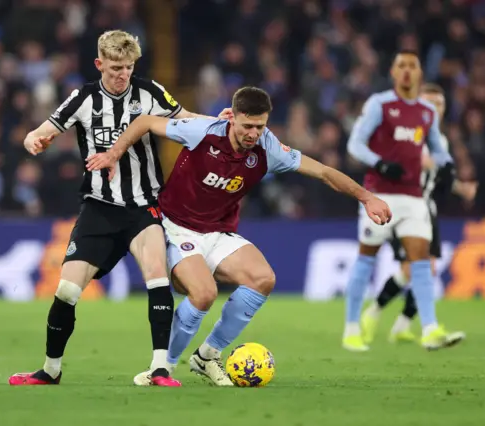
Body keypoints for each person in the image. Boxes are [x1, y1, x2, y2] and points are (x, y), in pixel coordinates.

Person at [88, 86, 391, 386]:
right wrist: (114, 153)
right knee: (204, 294)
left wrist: (367, 198)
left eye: (260, 126)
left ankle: (207, 356)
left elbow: (324, 171)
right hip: (175, 227)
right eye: (247, 126)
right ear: (232, 118)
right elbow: (145, 122)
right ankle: (163, 368)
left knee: (263, 278)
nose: (253, 133)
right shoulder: (202, 131)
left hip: (218, 232)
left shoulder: (269, 148)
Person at [9, 30, 212, 387]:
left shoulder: (150, 92)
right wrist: (32, 139)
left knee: (157, 276)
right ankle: (50, 370)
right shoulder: (83, 98)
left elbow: (186, 118)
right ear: (99, 64)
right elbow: (43, 129)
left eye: (129, 67)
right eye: (116, 67)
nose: (122, 75)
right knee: (67, 292)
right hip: (98, 208)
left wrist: (219, 123)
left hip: (142, 207)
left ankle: (161, 368)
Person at [342, 50, 464, 352]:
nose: (407, 71)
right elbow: (355, 144)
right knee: (366, 257)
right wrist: (380, 163)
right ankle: (352, 328)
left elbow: (437, 147)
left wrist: (447, 165)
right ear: (393, 73)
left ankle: (430, 328)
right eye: (402, 66)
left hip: (413, 198)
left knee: (421, 260)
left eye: (413, 66)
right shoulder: (379, 105)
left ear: (420, 73)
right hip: (379, 195)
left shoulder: (426, 111)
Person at [361, 83, 477, 344]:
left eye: (440, 104)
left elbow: (433, 175)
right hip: (403, 208)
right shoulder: (404, 133)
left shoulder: (439, 139)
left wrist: (460, 187)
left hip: (426, 209)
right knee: (416, 268)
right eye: (430, 103)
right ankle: (377, 313)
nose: (435, 109)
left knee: (423, 269)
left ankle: (399, 324)